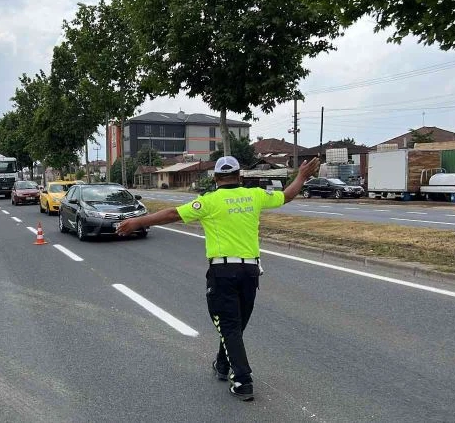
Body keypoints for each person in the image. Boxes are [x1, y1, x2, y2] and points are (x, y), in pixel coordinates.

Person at [116, 155, 320, 401]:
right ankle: (222, 365)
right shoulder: (254, 195)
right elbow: (286, 196)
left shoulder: (209, 201)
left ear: (214, 178)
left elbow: (172, 214)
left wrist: (136, 221)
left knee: (229, 326)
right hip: (250, 272)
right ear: (239, 175)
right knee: (235, 325)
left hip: (223, 273)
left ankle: (243, 380)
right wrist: (301, 176)